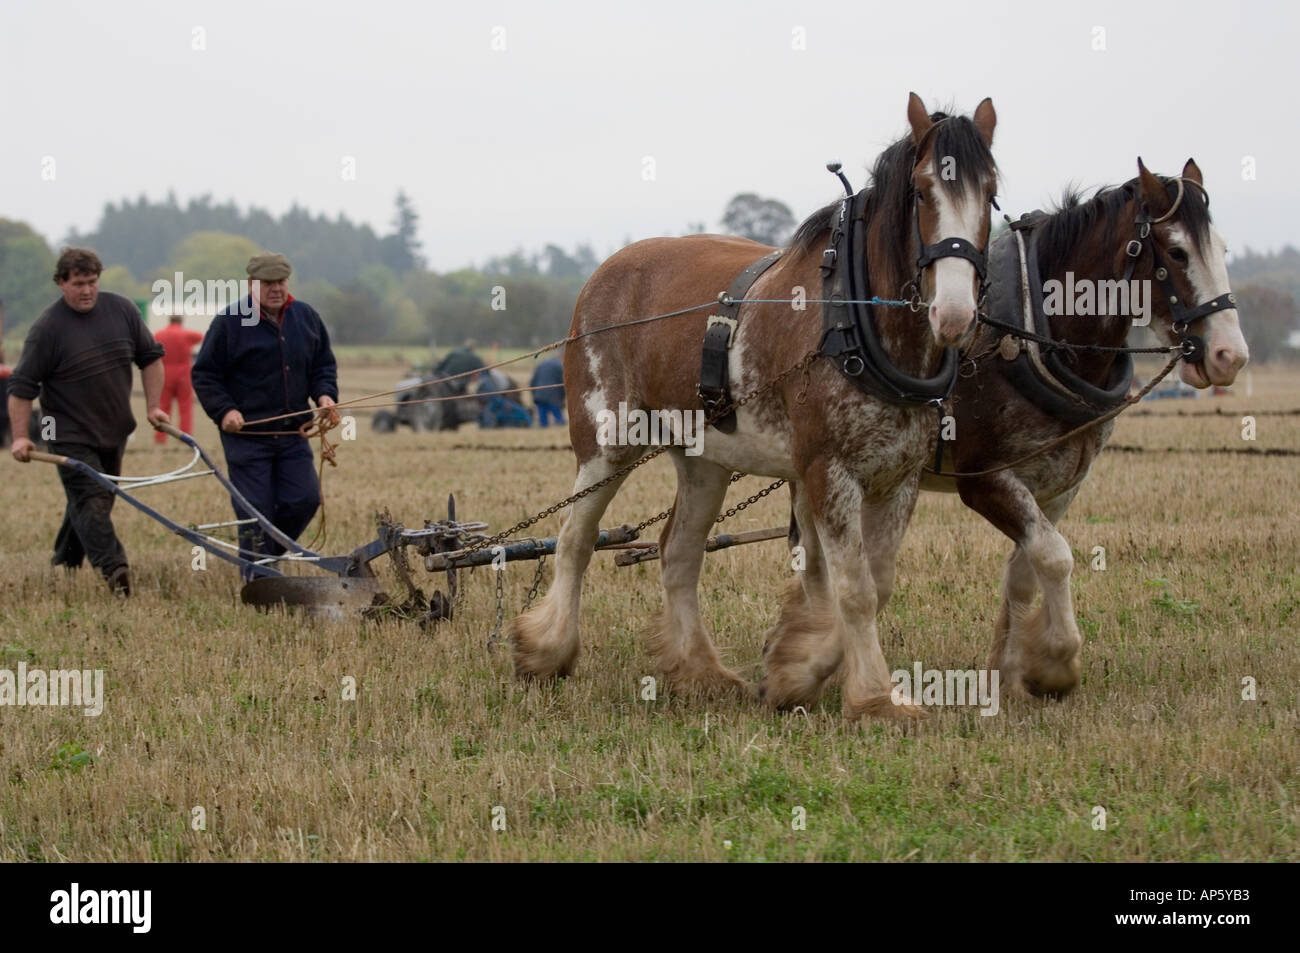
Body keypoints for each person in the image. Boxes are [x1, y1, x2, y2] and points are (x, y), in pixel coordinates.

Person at [7, 248, 168, 596]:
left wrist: (154, 407)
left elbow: (151, 358)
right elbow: (21, 388)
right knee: (90, 500)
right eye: (78, 284)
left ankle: (64, 564)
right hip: (65, 432)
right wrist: (21, 437)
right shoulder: (47, 329)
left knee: (95, 499)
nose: (87, 291)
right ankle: (116, 572)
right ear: (61, 284)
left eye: (92, 282)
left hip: (115, 428)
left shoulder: (122, 310)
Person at [191, 252, 338, 579]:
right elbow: (205, 375)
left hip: (292, 433)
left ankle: (261, 561)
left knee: (304, 499)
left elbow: (322, 366)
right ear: (251, 285)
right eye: (267, 283)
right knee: (254, 509)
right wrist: (225, 410)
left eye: (280, 282)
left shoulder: (306, 318)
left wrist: (326, 395)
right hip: (247, 438)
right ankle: (258, 578)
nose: (275, 289)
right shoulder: (229, 322)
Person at [152, 313, 205, 443]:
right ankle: (185, 437)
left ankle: (160, 437)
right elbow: (202, 337)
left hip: (165, 372)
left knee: (163, 406)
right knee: (186, 406)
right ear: (181, 321)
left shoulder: (159, 334)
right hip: (183, 374)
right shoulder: (186, 334)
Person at [529, 355, 565, 427]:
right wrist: (562, 397)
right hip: (553, 396)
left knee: (543, 421)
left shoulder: (541, 364)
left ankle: (544, 427)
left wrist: (534, 394)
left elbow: (532, 382)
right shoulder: (559, 366)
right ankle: (560, 424)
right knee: (559, 419)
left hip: (539, 395)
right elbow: (562, 383)